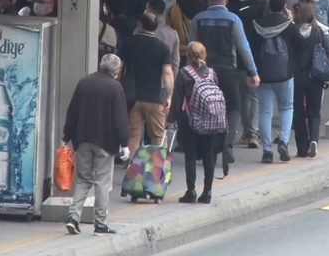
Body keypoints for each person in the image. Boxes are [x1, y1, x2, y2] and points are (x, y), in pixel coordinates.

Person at [188, 0, 261, 165]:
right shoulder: (233, 19)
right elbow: (244, 47)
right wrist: (253, 71)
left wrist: (189, 71)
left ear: (208, 0)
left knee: (203, 107)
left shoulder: (198, 19)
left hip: (203, 70)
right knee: (232, 106)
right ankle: (227, 143)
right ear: (226, 0)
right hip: (228, 69)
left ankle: (206, 147)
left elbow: (192, 47)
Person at [63, 54, 130, 236]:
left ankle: (73, 217)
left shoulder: (84, 82)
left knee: (83, 179)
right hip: (105, 142)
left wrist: (66, 136)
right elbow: (120, 119)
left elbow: (72, 112)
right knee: (102, 182)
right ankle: (100, 224)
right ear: (116, 71)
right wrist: (124, 143)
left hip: (82, 139)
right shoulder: (116, 87)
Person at [250, 0, 304, 163]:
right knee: (287, 108)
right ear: (284, 7)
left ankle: (267, 151)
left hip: (263, 75)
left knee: (265, 112)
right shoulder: (288, 25)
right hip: (285, 74)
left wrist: (252, 72)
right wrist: (291, 20)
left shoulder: (257, 24)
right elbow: (301, 45)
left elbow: (250, 49)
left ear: (268, 5)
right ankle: (283, 141)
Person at [167, 42, 224, 204]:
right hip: (211, 121)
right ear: (204, 55)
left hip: (189, 120)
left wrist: (171, 119)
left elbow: (177, 100)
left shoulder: (183, 74)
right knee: (208, 155)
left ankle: (191, 191)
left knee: (190, 156)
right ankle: (207, 192)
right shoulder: (212, 74)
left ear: (188, 56)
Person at [118, 13, 174, 161]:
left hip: (132, 97)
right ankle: (159, 171)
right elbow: (167, 73)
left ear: (140, 25)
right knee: (158, 136)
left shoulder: (127, 43)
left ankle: (132, 170)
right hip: (155, 97)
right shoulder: (163, 48)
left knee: (133, 136)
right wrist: (169, 96)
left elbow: (119, 70)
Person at [292, 2, 329, 158]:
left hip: (296, 78)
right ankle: (314, 140)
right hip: (315, 77)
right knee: (314, 112)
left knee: (298, 113)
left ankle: (302, 149)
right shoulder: (317, 31)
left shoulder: (293, 31)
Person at [236, 0, 266, 149]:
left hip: (240, 60)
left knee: (242, 96)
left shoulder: (234, 11)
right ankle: (254, 132)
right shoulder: (261, 8)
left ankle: (247, 131)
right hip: (258, 58)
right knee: (254, 95)